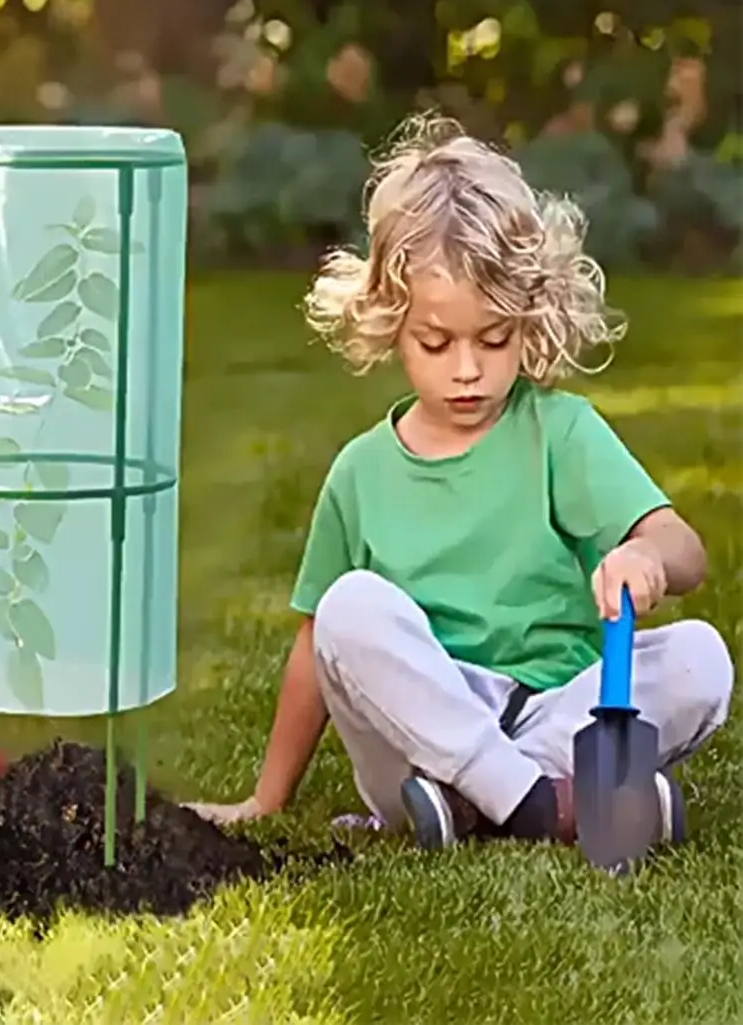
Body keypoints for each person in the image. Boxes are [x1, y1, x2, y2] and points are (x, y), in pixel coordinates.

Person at [192, 114, 733, 850]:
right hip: (417, 741)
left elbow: (685, 551)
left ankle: (483, 802)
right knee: (350, 604)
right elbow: (320, 641)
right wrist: (266, 796)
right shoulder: (360, 471)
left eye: (493, 337)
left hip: (551, 713)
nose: (467, 368)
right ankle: (547, 808)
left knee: (701, 656)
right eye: (436, 342)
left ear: (528, 317)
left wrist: (647, 557)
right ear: (391, 322)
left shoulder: (558, 432)